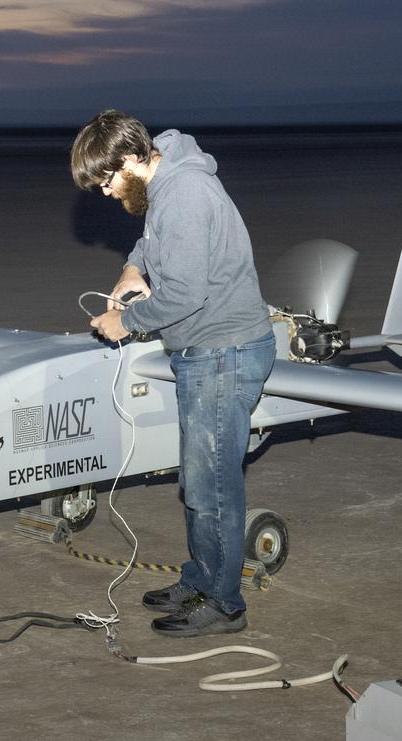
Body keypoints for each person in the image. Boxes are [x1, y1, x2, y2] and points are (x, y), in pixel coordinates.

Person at [71, 110, 275, 638]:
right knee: (198, 481)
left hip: (222, 351)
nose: (107, 193)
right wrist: (133, 267)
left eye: (107, 181)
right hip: (206, 351)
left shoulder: (183, 193)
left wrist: (126, 322)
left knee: (214, 488)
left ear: (132, 159)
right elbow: (156, 241)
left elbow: (186, 295)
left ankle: (225, 604)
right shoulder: (165, 183)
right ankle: (201, 578)